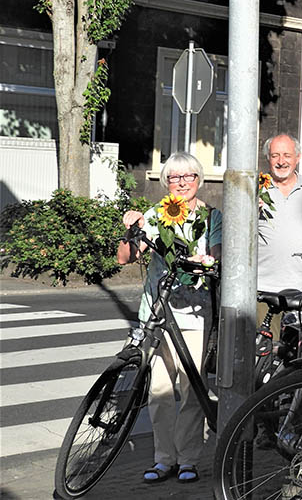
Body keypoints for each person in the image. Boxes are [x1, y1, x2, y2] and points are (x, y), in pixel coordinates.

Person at [117, 152, 222, 485]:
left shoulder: (212, 216)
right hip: (159, 314)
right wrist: (131, 229)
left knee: (191, 389)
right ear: (165, 183)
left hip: (194, 315)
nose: (181, 183)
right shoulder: (155, 214)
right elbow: (125, 258)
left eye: (188, 176)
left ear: (199, 180)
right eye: (174, 178)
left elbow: (216, 259)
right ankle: (163, 459)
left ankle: (188, 458)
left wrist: (204, 260)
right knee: (159, 391)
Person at [257, 134, 302, 330]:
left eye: (287, 155)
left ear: (298, 157)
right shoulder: (255, 187)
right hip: (264, 289)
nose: (281, 161)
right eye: (275, 155)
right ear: (267, 159)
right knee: (265, 352)